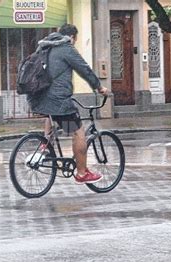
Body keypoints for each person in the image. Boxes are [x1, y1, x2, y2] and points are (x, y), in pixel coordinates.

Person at [27, 23, 110, 184]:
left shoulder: (43, 47)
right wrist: (99, 87)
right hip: (59, 100)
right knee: (78, 131)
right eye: (75, 39)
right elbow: (84, 69)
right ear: (72, 37)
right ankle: (81, 173)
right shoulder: (66, 48)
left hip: (38, 98)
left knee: (51, 114)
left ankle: (46, 145)